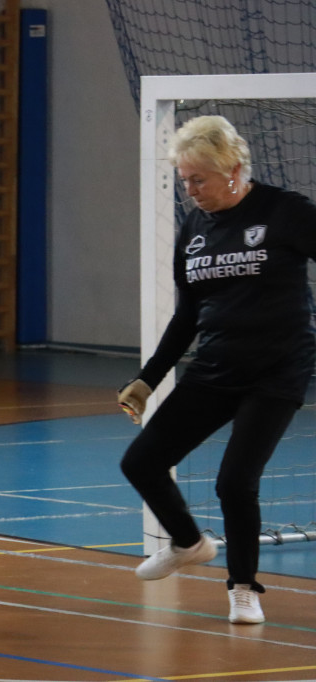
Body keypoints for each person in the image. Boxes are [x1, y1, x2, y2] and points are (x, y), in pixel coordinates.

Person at [117, 114, 316, 625]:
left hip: (277, 372)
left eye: (197, 179)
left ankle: (243, 587)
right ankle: (188, 542)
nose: (190, 191)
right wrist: (146, 379)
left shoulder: (285, 211)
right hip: (215, 368)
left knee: (235, 482)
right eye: (184, 181)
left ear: (231, 169)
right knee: (141, 462)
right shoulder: (194, 228)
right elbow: (188, 315)